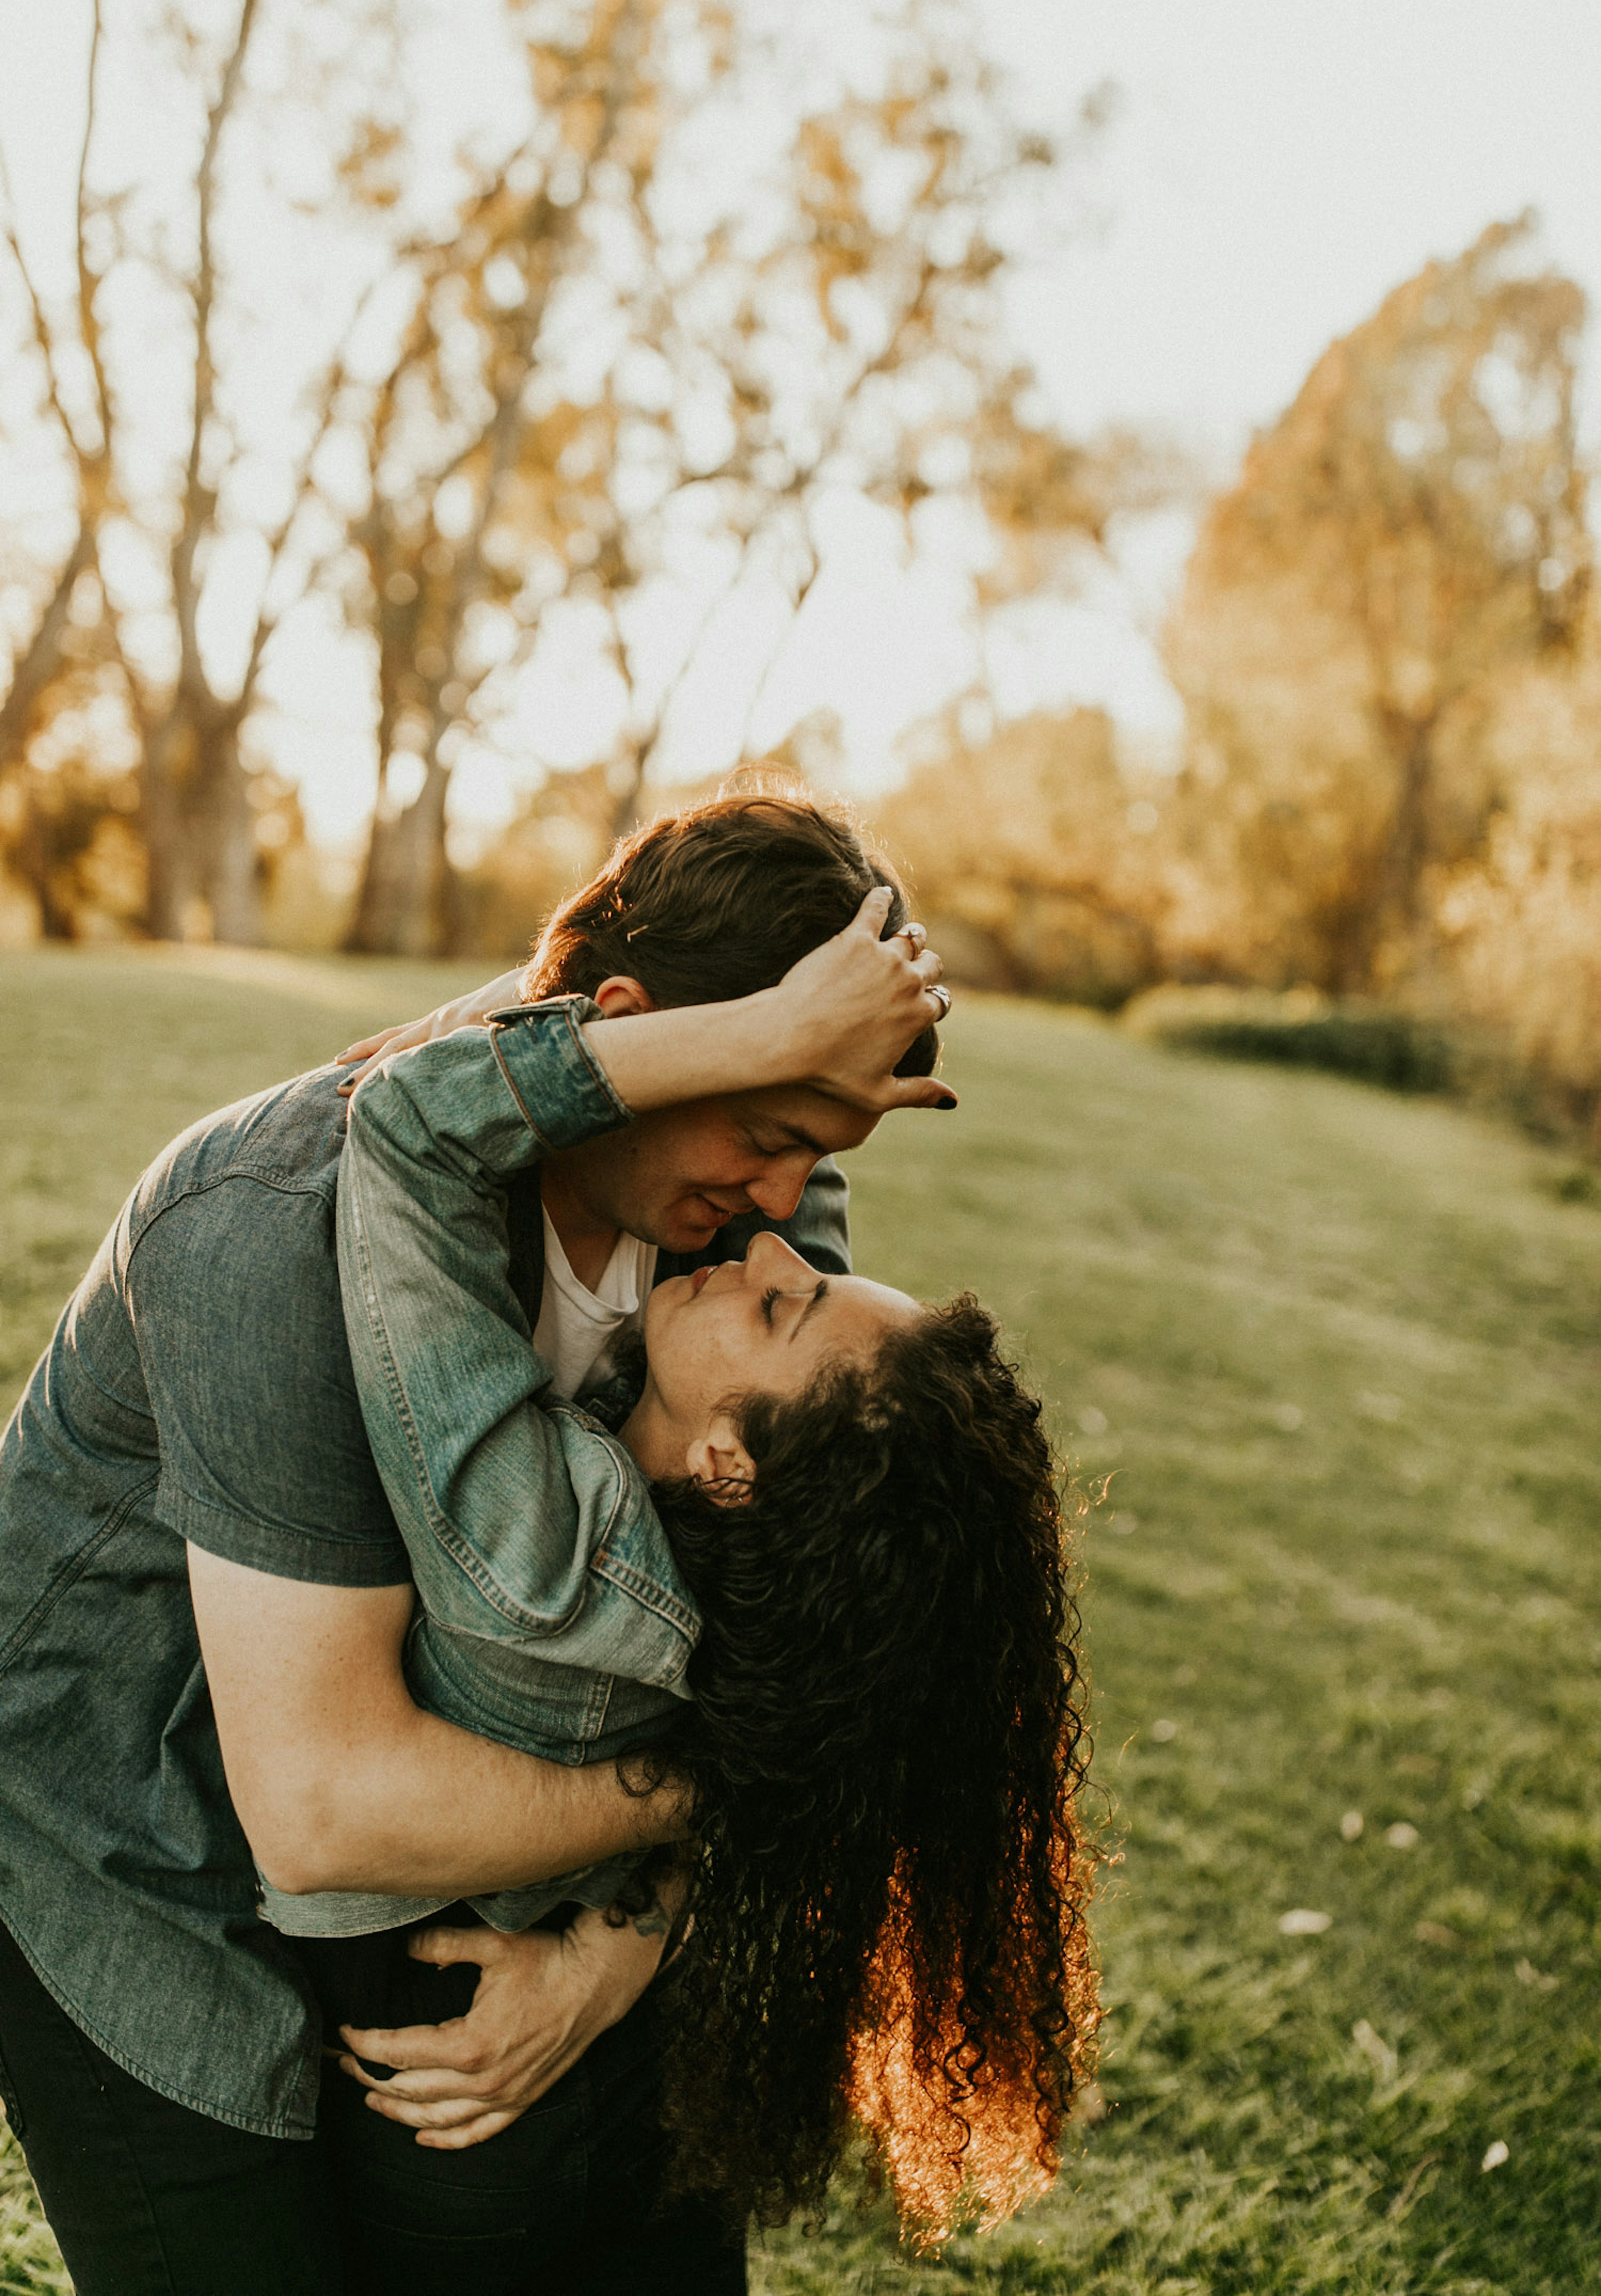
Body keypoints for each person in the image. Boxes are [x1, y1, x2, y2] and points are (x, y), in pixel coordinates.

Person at [0, 797, 956, 2293]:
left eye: (817, 1147)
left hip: (466, 1840)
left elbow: (797, 1602)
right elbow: (328, 1811)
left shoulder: (746, 1220)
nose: (792, 1212)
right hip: (132, 1825)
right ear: (645, 1034)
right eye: (772, 1131)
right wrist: (723, 1783)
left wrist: (617, 1949)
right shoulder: (266, 1224)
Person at [287, 875, 1096, 2283]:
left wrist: (752, 1036)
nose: (767, 1242)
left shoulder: (542, 1551)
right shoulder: (771, 1610)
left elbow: (410, 1122)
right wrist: (804, 1043)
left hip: (470, 2142)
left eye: (784, 1302)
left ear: (730, 1464)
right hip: (610, 2090)